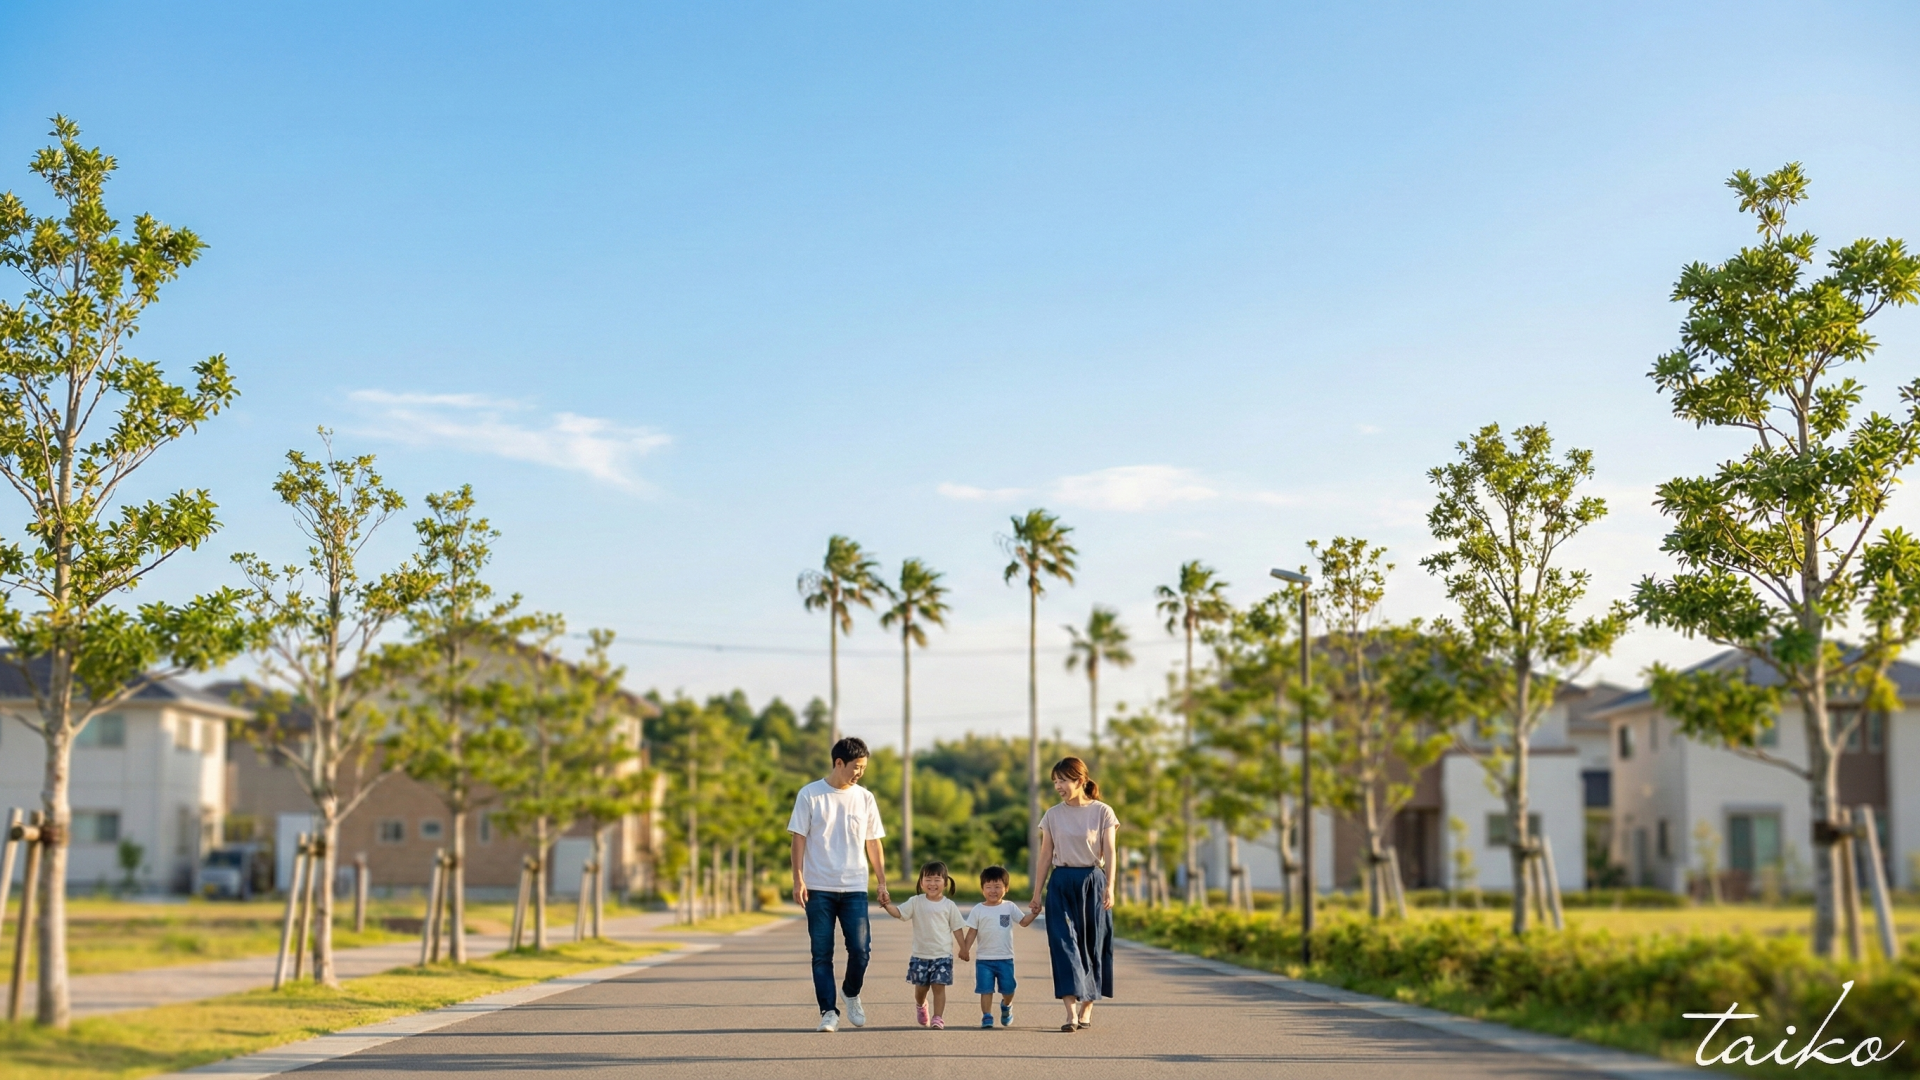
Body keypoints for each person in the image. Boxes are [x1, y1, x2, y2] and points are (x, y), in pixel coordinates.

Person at [789, 736, 889, 1033]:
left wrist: (881, 881)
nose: (860, 773)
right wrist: (798, 878)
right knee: (822, 953)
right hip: (819, 887)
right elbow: (798, 838)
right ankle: (828, 1012)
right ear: (838, 763)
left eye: (864, 768)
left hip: (855, 887)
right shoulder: (810, 794)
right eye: (856, 767)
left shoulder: (865, 797)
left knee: (861, 950)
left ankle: (851, 992)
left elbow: (873, 842)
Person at [1027, 755, 1118, 1032]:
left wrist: (1111, 886)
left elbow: (1111, 852)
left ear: (1080, 780)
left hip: (1093, 881)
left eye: (1063, 780)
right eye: (1055, 782)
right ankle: (1070, 1013)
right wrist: (1036, 893)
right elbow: (1045, 857)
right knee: (1063, 944)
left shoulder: (1102, 812)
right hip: (1061, 881)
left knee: (1092, 945)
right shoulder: (1052, 815)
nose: (1059, 786)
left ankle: (1087, 1007)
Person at [877, 860, 968, 1029]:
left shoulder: (949, 905)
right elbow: (900, 913)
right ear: (921, 882)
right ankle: (921, 1005)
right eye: (928, 879)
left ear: (945, 883)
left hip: (942, 955)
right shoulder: (916, 901)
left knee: (939, 987)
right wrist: (887, 906)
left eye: (937, 880)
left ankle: (938, 1018)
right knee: (921, 989)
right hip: (920, 955)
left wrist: (963, 948)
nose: (932, 884)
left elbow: (957, 928)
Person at [961, 863, 1039, 1029]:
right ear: (982, 889)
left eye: (997, 886)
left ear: (1006, 888)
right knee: (985, 989)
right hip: (984, 960)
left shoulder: (1009, 907)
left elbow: (1023, 922)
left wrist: (1034, 913)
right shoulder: (978, 909)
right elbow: (972, 932)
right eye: (988, 887)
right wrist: (965, 949)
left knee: (1009, 989)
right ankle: (987, 1016)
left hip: (1005, 958)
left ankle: (1006, 1005)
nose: (993, 891)